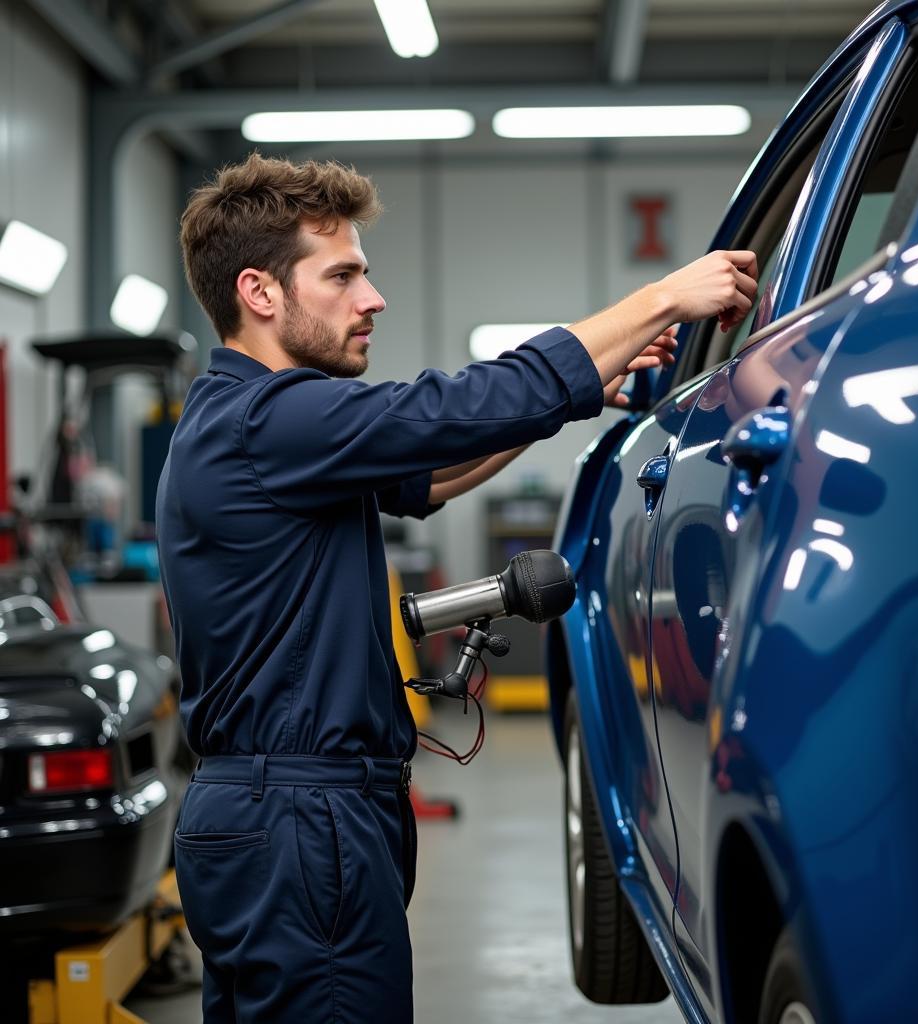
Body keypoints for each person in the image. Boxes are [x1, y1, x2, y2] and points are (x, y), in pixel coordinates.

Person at [156, 152, 758, 1023]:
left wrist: (585, 389)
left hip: (283, 814)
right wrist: (662, 296)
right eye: (344, 275)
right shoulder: (269, 418)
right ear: (259, 292)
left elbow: (432, 467)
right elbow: (453, 407)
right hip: (298, 817)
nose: (373, 298)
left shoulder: (257, 428)